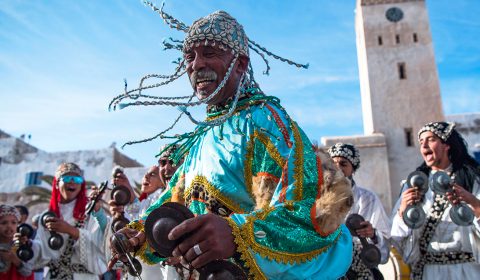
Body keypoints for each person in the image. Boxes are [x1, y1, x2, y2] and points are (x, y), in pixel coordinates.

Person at [109, 3, 354, 279]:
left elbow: (311, 213)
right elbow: (175, 202)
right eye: (189, 56)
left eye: (209, 53)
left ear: (240, 64)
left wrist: (237, 233)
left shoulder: (267, 124)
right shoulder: (202, 138)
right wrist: (141, 233)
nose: (196, 64)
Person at [391, 122, 480, 279]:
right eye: (421, 142)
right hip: (428, 272)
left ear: (447, 145)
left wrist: (475, 204)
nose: (424, 145)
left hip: (465, 272)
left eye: (431, 139)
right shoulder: (413, 184)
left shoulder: (471, 179)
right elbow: (398, 240)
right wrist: (402, 211)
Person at [108, 145, 181, 279]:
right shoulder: (157, 202)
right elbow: (143, 222)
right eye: (163, 162)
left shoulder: (197, 195)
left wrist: (182, 254)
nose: (167, 167)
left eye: (174, 161)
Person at [30, 162, 108, 279]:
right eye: (66, 178)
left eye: (77, 179)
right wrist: (27, 244)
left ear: (81, 185)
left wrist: (72, 231)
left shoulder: (90, 213)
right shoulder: (47, 216)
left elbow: (101, 246)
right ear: (57, 184)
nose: (72, 182)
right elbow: (41, 254)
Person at [328, 143, 391, 280]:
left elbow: (385, 245)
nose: (338, 168)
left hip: (360, 272)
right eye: (334, 164)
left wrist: (372, 234)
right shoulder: (316, 199)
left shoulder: (367, 199)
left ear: (353, 169)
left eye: (343, 164)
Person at [0, 204, 34, 280]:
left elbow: (28, 272)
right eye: (4, 223)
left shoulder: (23, 244)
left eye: (13, 222)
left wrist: (14, 259)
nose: (9, 226)